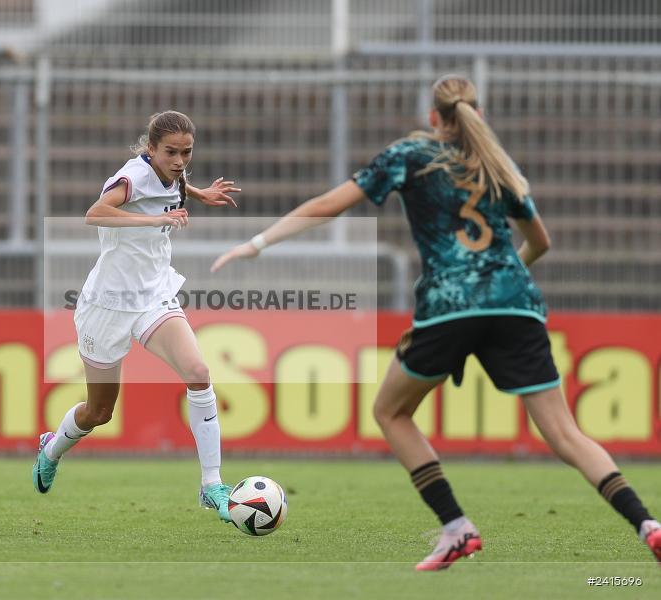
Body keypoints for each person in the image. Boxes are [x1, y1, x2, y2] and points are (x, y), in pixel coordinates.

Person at [211, 74, 661, 568]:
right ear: (478, 115)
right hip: (516, 303)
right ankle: (648, 524)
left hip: (449, 305)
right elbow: (541, 242)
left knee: (391, 412)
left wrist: (255, 244)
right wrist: (497, 284)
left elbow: (328, 206)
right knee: (566, 435)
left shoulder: (410, 154)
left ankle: (456, 528)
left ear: (433, 117)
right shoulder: (496, 164)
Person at [33, 110, 241, 523]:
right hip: (108, 303)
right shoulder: (132, 175)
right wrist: (156, 219)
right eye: (171, 153)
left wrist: (200, 194)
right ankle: (52, 448)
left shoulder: (173, 173)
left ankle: (211, 485)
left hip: (153, 295)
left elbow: (174, 185)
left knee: (198, 372)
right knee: (99, 412)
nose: (180, 161)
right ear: (150, 149)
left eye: (187, 152)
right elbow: (94, 213)